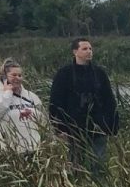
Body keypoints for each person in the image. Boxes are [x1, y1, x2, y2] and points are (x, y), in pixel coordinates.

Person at [49, 37, 118, 172]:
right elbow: (55, 102)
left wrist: (113, 125)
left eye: (90, 49)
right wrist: (59, 127)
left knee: (99, 162)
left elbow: (109, 99)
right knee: (75, 163)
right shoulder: (64, 74)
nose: (89, 51)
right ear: (75, 51)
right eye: (85, 49)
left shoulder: (99, 73)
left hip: (99, 126)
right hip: (74, 126)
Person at [0, 58, 47, 155]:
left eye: (20, 75)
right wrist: (7, 93)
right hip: (10, 152)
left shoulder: (31, 96)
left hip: (34, 150)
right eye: (13, 75)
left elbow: (43, 120)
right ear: (4, 77)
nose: (17, 78)